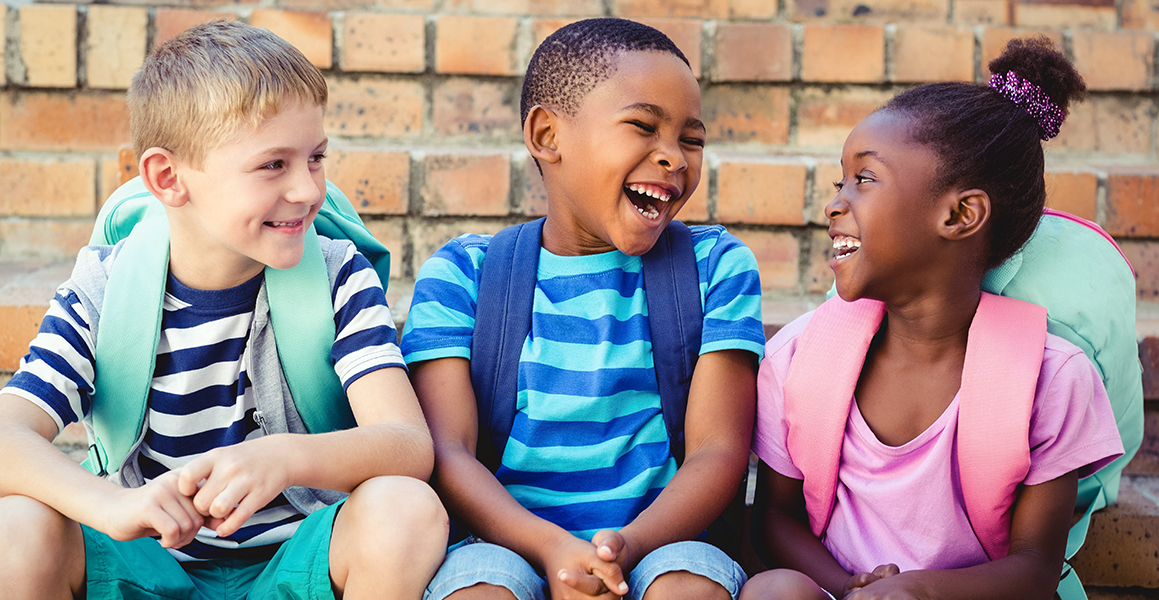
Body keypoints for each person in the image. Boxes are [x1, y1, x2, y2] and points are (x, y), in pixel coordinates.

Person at [0, 21, 447, 600]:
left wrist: (285, 458)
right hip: (146, 565)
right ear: (169, 178)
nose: (310, 190)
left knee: (405, 509)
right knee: (16, 527)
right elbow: (9, 434)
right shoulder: (106, 290)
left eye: (315, 158)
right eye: (272, 165)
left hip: (297, 562)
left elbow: (409, 444)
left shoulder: (340, 275)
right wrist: (111, 504)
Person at [743, 38, 1124, 600]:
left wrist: (916, 593)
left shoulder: (1051, 377)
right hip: (837, 591)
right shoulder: (800, 357)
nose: (835, 204)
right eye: (839, 183)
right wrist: (852, 588)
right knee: (774, 591)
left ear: (960, 214)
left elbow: (1035, 567)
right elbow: (773, 519)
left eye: (865, 180)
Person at [401, 17, 764, 600]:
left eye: (691, 139)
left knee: (688, 586)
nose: (672, 157)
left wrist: (623, 551)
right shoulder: (463, 275)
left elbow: (718, 452)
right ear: (548, 136)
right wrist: (551, 550)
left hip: (660, 546)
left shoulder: (714, 267)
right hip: (503, 547)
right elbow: (450, 452)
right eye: (643, 126)